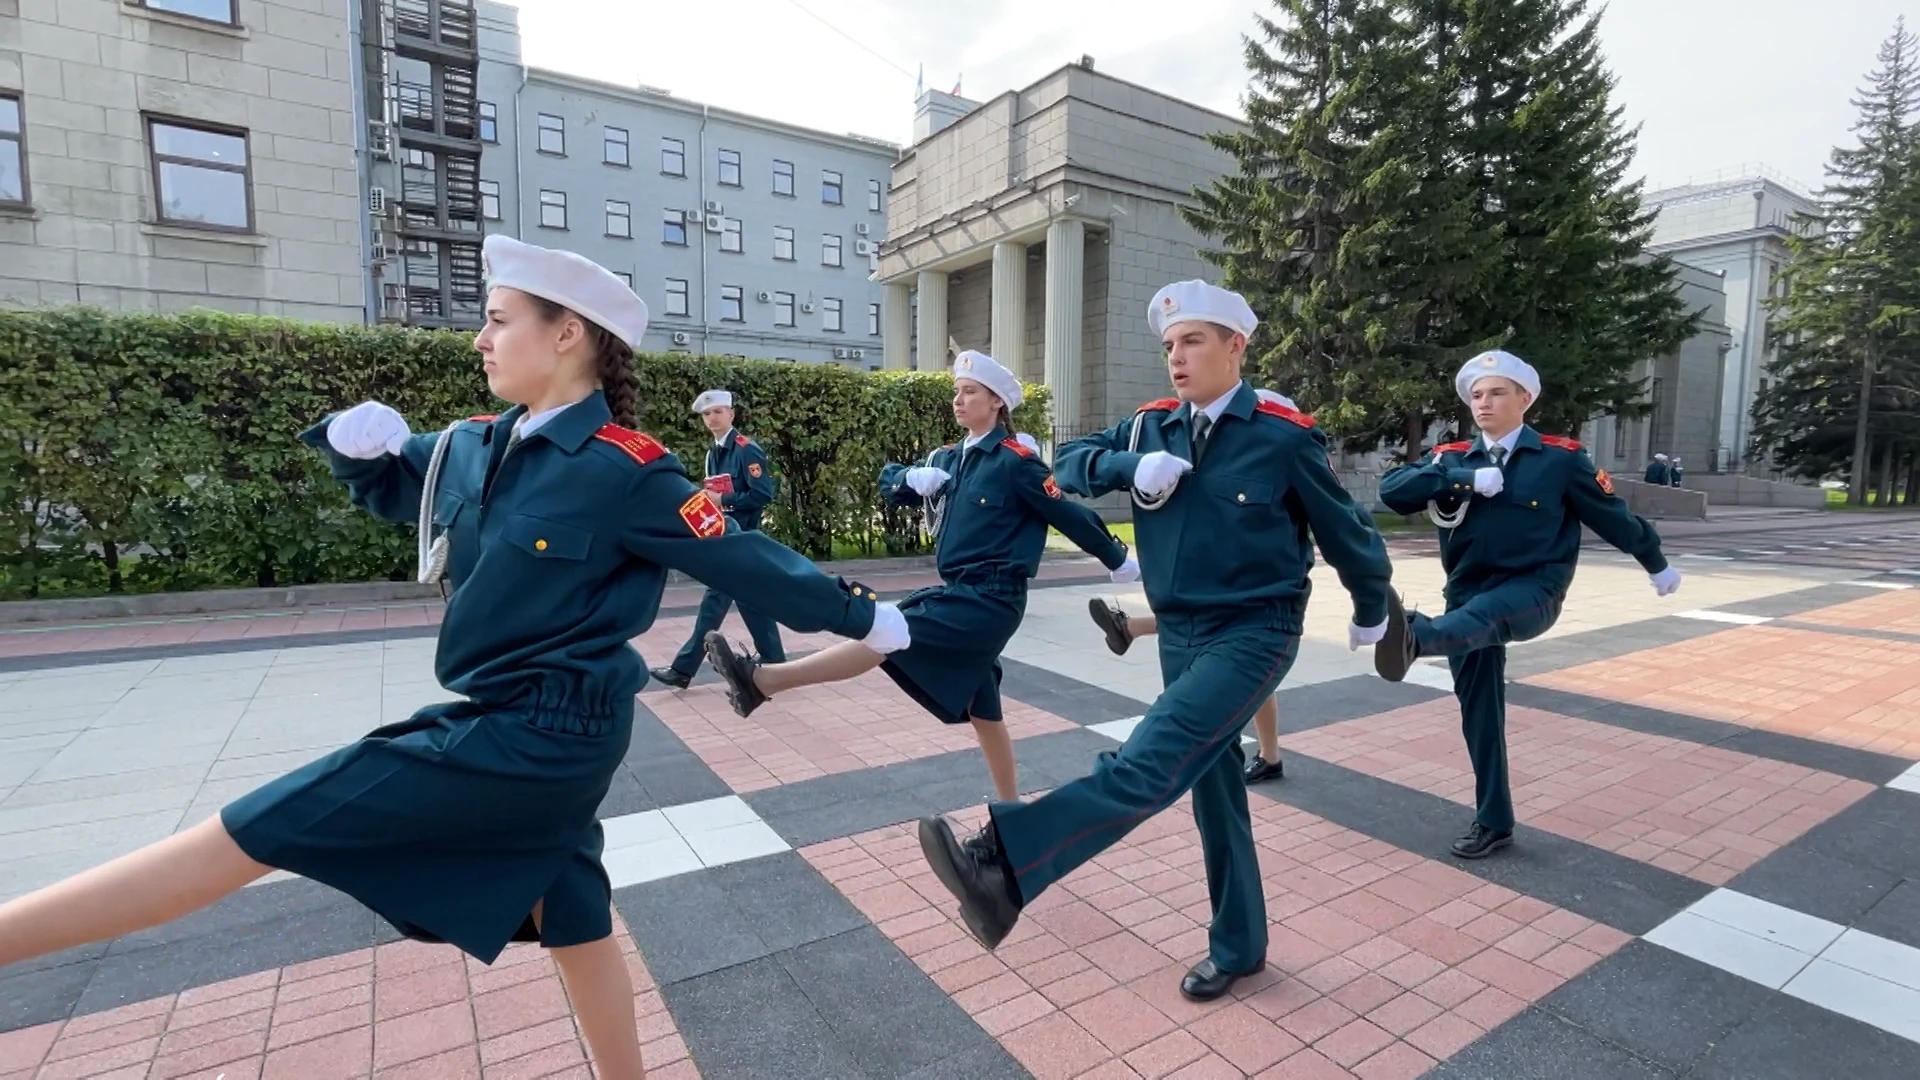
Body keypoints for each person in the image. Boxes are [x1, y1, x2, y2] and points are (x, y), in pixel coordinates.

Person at [0, 235, 910, 1080]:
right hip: (510, 719)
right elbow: (403, 487)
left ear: (567, 335)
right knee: (571, 907)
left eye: (498, 319)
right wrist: (359, 451)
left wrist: (864, 615)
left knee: (260, 826)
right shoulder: (476, 444)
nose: (478, 338)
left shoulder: (625, 468)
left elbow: (742, 557)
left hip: (544, 737)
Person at [914, 281, 1396, 1004]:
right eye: (1169, 345)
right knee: (1214, 791)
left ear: (1237, 346)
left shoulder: (1282, 434)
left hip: (1255, 630)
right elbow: (1066, 465)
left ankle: (1004, 864)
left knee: (1148, 760)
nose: (1176, 356)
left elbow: (1347, 531)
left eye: (1193, 340)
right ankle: (1241, 946)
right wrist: (1124, 467)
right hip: (1180, 629)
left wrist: (1370, 607)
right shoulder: (1150, 427)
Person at [703, 349, 1136, 801]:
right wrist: (910, 477)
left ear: (997, 404)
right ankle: (1012, 808)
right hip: (961, 591)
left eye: (971, 392)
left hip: (992, 599)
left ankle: (764, 681)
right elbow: (888, 482)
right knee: (984, 710)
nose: (959, 399)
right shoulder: (949, 460)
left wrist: (1115, 557)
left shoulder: (1016, 462)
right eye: (957, 391)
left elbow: (1067, 514)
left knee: (889, 631)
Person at [1376, 349, 1680, 861]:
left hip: (1533, 591)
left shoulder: (1560, 459)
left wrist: (1655, 562)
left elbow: (1613, 516)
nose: (1484, 403)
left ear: (1525, 399)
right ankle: (1494, 821)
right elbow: (1393, 492)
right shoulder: (1453, 458)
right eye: (1476, 395)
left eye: (1496, 392)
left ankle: (1412, 634)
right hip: (1464, 597)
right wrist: (1463, 479)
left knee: (1486, 616)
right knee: (1480, 715)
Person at [1084, 388, 1299, 785]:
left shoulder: (1284, 440)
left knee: (1241, 668)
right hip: (1225, 600)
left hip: (1263, 595)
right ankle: (1269, 755)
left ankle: (1270, 755)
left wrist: (1368, 601)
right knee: (1232, 664)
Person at [650, 389, 787, 689]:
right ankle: (775, 660)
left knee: (714, 603)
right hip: (725, 539)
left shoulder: (745, 449)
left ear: (731, 414)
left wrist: (722, 500)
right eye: (706, 414)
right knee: (753, 601)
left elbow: (762, 493)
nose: (712, 418)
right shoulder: (713, 452)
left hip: (742, 540)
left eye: (718, 412)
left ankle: (683, 669)